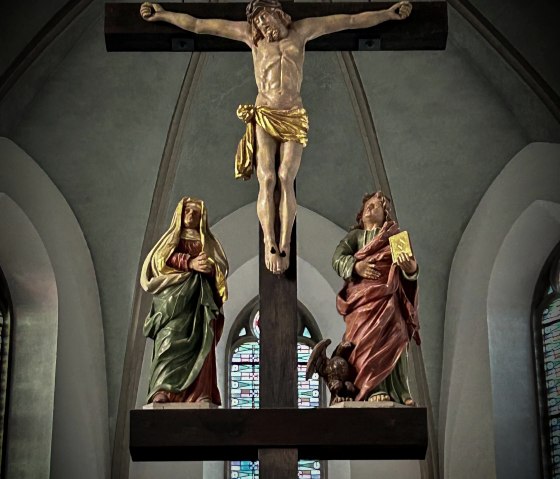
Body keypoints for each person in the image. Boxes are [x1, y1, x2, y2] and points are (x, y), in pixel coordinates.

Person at [140, 0, 412, 274]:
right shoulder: (251, 37)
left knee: (286, 178)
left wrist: (386, 14)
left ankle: (285, 243)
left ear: (278, 14)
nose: (262, 27)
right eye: (257, 24)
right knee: (267, 178)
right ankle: (270, 242)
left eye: (264, 20)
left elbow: (349, 21)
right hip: (265, 112)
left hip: (293, 113)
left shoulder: (303, 31)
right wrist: (164, 15)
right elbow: (199, 25)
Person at [332, 191, 420, 405]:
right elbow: (337, 258)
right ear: (361, 215)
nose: (371, 209)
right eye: (367, 206)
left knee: (395, 334)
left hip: (389, 297)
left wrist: (411, 269)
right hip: (362, 299)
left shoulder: (395, 239)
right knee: (364, 339)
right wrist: (356, 265)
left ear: (385, 214)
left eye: (376, 206)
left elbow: (408, 271)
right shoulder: (355, 237)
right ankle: (372, 388)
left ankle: (399, 389)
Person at [140, 197, 228, 405]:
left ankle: (200, 392)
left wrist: (209, 267)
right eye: (187, 211)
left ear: (202, 217)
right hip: (173, 301)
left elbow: (219, 265)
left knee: (202, 342)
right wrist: (188, 262)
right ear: (179, 214)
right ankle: (163, 389)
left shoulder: (208, 241)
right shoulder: (172, 238)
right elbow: (159, 261)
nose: (191, 216)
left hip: (199, 301)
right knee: (169, 341)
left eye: (196, 213)